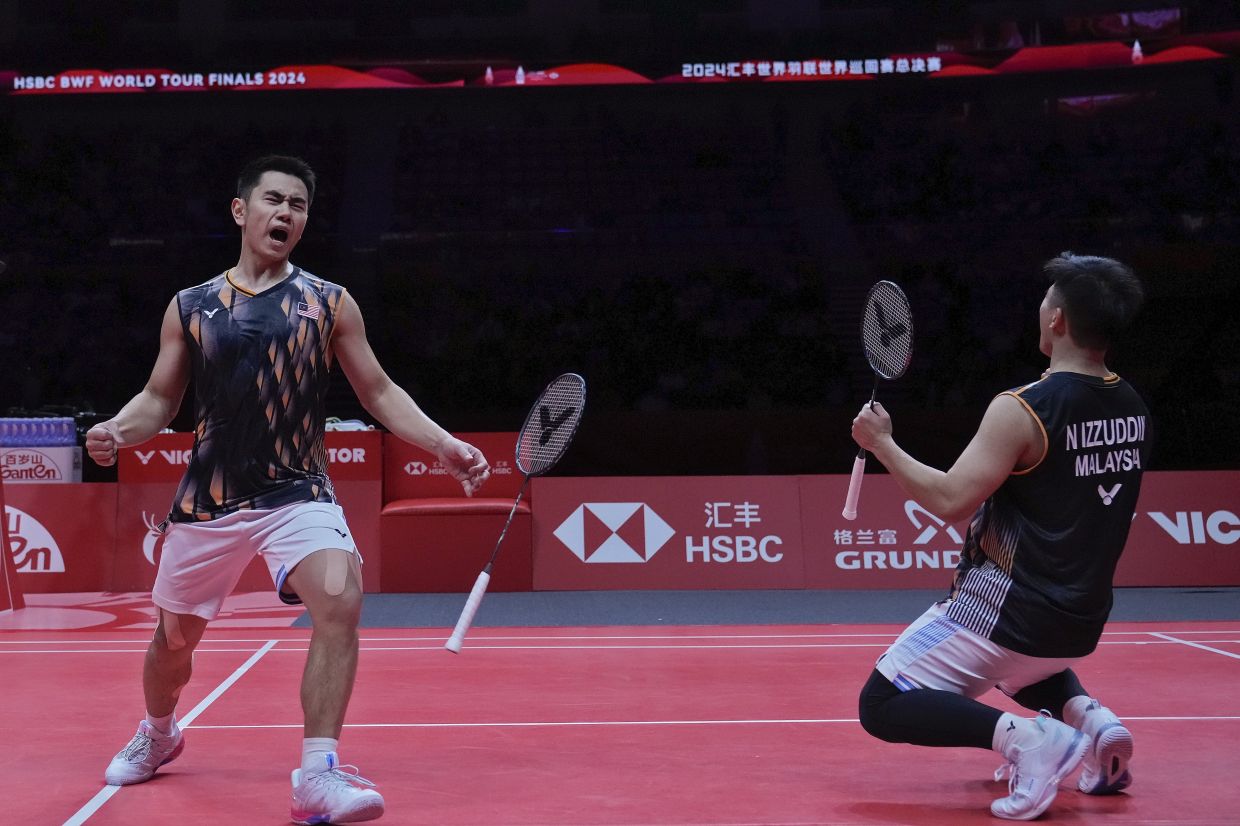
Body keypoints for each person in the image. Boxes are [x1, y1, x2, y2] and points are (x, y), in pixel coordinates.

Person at [86, 155, 491, 824]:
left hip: (296, 492)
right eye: (273, 200)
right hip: (208, 500)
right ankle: (159, 732)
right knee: (173, 646)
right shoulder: (191, 306)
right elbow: (159, 399)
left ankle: (319, 773)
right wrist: (116, 430)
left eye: (298, 205)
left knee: (339, 595)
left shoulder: (329, 303)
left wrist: (442, 442)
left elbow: (379, 390)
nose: (286, 213)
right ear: (241, 212)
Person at [851, 252, 1149, 821]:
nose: (1041, 309)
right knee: (1013, 665)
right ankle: (1090, 720)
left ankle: (1031, 742)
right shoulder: (1133, 408)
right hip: (1080, 619)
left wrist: (882, 443)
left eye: (1046, 300)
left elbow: (950, 500)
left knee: (882, 702)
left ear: (1058, 319)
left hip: (1009, 610)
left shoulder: (1023, 410)